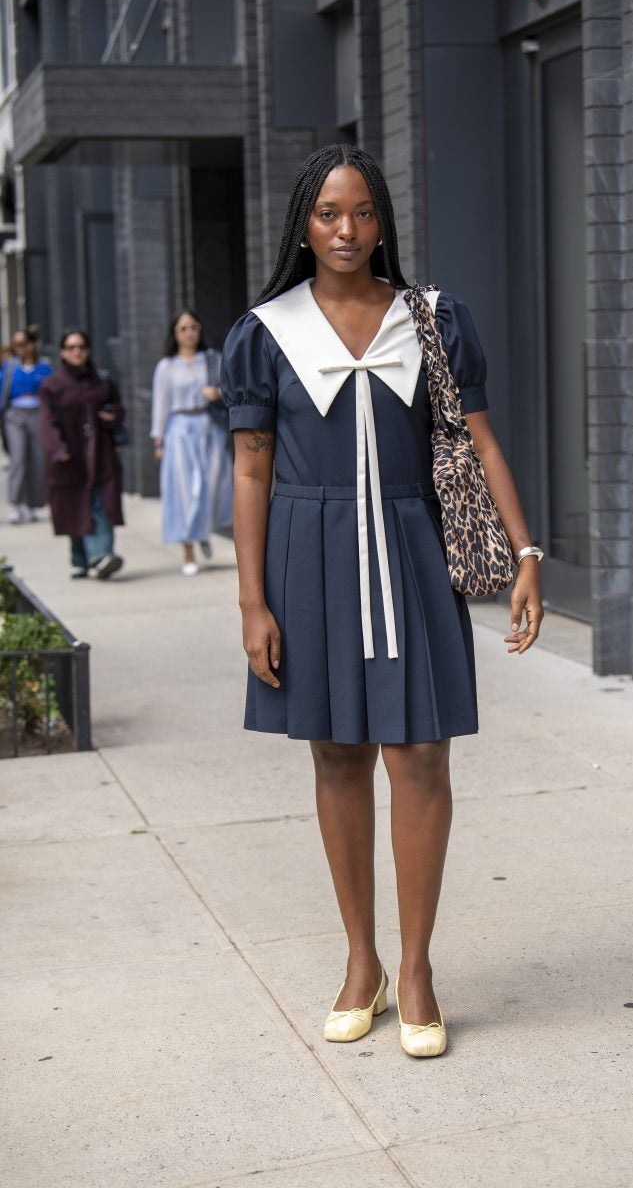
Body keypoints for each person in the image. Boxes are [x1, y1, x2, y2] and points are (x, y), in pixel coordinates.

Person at [220, 144, 543, 1058]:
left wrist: (524, 550)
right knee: (336, 754)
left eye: (362, 212)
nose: (346, 230)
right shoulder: (265, 331)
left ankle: (418, 969)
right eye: (328, 213)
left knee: (422, 756)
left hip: (409, 549)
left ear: (382, 219)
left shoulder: (431, 320)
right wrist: (253, 602)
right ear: (304, 224)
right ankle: (360, 963)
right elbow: (251, 468)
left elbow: (479, 439)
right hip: (306, 554)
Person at [150, 310, 232, 576]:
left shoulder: (212, 360)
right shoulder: (166, 366)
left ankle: (204, 531)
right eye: (184, 328)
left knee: (212, 486)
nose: (189, 333)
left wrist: (217, 393)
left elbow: (234, 390)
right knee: (185, 492)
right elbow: (160, 405)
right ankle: (188, 551)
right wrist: (159, 441)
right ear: (175, 333)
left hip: (208, 428)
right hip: (180, 430)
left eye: (194, 327)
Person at [39, 330, 125, 579]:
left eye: (81, 346)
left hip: (100, 454)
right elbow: (46, 420)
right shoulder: (52, 386)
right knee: (74, 507)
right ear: (62, 352)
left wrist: (113, 415)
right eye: (71, 346)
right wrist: (57, 448)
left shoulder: (103, 381)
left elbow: (119, 410)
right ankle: (80, 558)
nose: (77, 351)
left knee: (100, 503)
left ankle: (102, 555)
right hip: (69, 456)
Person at [1, 325, 50, 524]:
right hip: (15, 415)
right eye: (15, 345)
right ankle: (15, 504)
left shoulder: (44, 367)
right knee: (18, 458)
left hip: (37, 413)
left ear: (31, 345)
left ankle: (32, 505)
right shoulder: (11, 367)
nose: (19, 348)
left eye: (22, 344)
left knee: (37, 459)